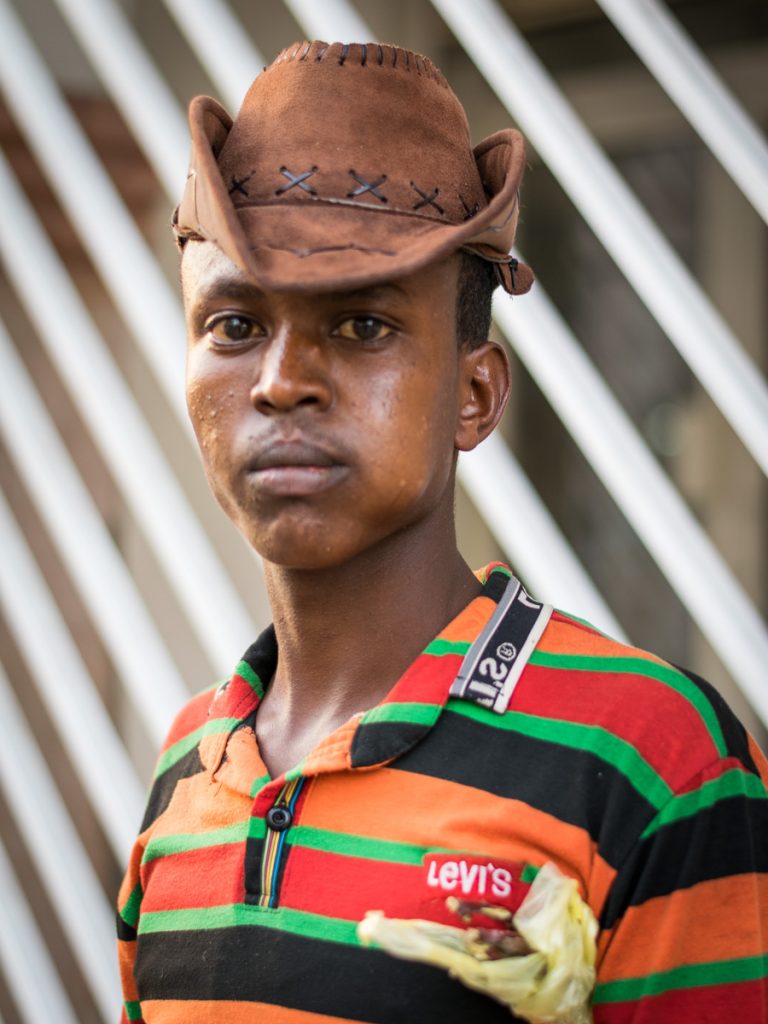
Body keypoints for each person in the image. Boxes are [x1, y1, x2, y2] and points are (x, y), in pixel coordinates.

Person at [116, 39, 768, 1024]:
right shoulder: (182, 771)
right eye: (235, 326)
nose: (281, 379)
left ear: (474, 395)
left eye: (362, 325)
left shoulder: (654, 761)